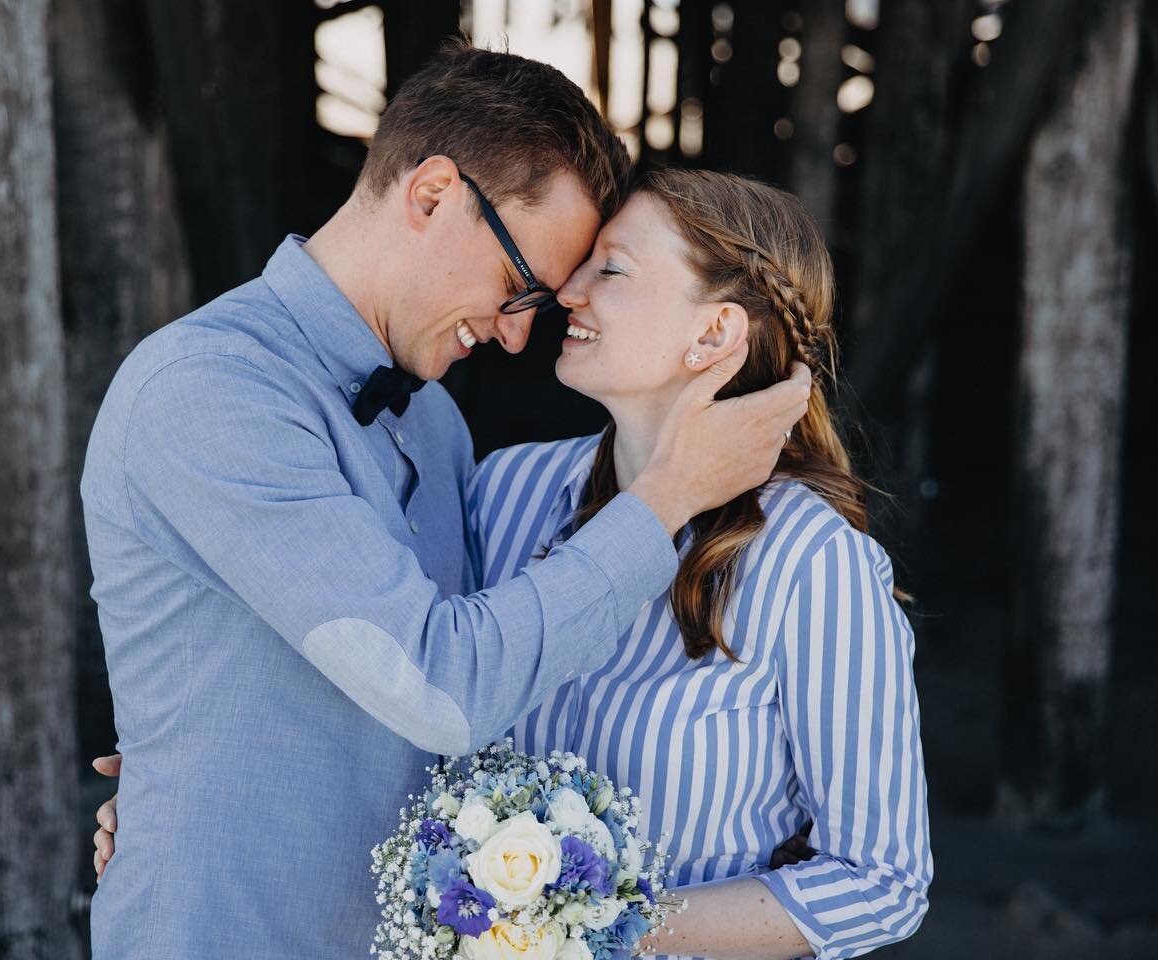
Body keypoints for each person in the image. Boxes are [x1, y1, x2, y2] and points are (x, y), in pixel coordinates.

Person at [79, 43, 810, 960]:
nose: (513, 339)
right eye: (518, 289)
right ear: (431, 194)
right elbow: (443, 682)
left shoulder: (434, 426)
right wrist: (666, 494)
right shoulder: (208, 389)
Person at [476, 169, 932, 958]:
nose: (568, 290)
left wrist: (596, 931)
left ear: (714, 335)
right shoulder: (503, 491)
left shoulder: (812, 562)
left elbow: (882, 881)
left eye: (610, 269)